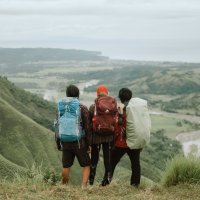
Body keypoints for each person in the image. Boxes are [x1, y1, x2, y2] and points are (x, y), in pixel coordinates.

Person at [56, 85, 91, 189]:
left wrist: (58, 143)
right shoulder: (82, 108)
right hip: (79, 142)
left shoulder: (60, 108)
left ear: (67, 94)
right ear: (78, 94)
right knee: (86, 164)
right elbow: (87, 127)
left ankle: (64, 186)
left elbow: (57, 126)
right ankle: (83, 187)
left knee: (66, 166)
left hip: (65, 141)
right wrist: (89, 144)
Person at [110, 88, 142, 187]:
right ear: (130, 97)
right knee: (135, 164)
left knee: (111, 163)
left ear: (120, 98)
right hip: (134, 141)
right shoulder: (135, 109)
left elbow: (117, 125)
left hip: (121, 142)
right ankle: (135, 185)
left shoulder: (120, 108)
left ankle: (106, 182)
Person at [89, 85, 117, 186]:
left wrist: (88, 140)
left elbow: (89, 124)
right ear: (107, 93)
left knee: (94, 159)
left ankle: (91, 181)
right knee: (107, 159)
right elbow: (115, 121)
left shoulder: (93, 107)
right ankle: (106, 181)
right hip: (109, 137)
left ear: (97, 94)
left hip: (96, 137)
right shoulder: (113, 107)